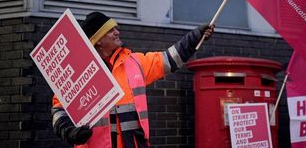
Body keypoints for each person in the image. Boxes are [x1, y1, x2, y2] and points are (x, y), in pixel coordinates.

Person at [51, 12, 215, 148]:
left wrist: (195, 36)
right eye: (110, 30)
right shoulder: (77, 72)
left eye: (116, 28)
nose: (117, 32)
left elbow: (169, 59)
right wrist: (70, 132)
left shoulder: (135, 62)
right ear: (98, 40)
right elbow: (59, 111)